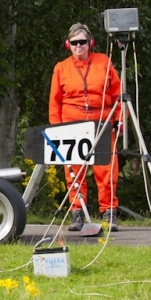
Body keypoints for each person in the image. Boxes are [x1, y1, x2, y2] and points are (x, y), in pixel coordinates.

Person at [49, 22, 122, 231]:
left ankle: (109, 212)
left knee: (107, 169)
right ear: (68, 45)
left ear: (90, 43)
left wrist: (119, 120)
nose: (78, 46)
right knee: (73, 170)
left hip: (102, 122)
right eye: (74, 43)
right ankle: (77, 213)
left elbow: (118, 95)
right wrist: (56, 129)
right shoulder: (61, 68)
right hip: (71, 123)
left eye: (82, 42)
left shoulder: (104, 62)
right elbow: (55, 102)